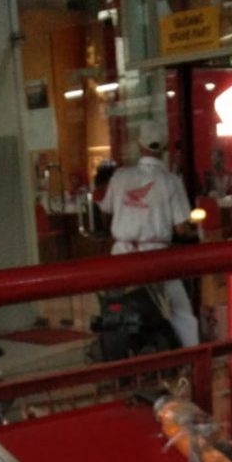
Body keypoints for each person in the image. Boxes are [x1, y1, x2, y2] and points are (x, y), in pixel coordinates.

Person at [99, 119, 199, 348]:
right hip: (156, 258)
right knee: (183, 314)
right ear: (164, 148)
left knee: (114, 313)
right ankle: (193, 361)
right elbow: (182, 228)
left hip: (121, 256)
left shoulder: (120, 176)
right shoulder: (171, 181)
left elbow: (105, 209)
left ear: (139, 144)